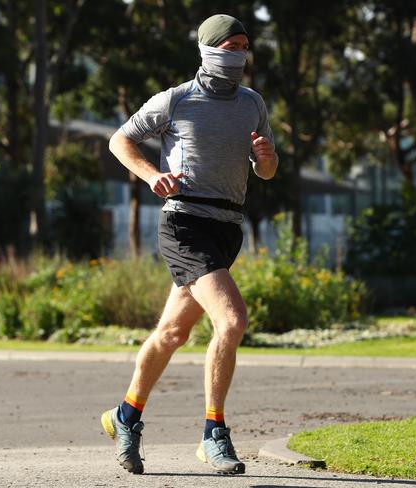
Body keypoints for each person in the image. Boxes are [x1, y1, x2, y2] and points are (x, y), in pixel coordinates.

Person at [101, 14, 278, 475]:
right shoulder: (177, 99)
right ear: (208, 49)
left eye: (244, 46)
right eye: (230, 45)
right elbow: (120, 140)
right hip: (184, 222)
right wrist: (153, 175)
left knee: (173, 334)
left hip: (226, 227)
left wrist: (266, 159)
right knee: (233, 320)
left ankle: (126, 415)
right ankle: (213, 434)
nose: (238, 54)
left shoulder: (253, 103)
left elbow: (267, 171)